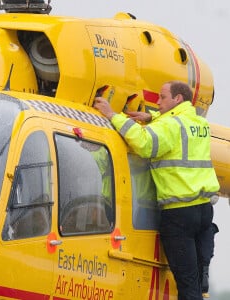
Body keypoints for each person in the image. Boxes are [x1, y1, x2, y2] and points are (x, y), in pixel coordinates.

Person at [93, 80, 220, 300]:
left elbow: (145, 144)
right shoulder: (199, 123)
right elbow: (175, 126)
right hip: (203, 211)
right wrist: (152, 117)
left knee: (187, 285)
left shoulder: (170, 126)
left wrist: (113, 115)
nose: (157, 102)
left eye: (162, 97)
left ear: (177, 99)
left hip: (178, 214)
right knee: (198, 283)